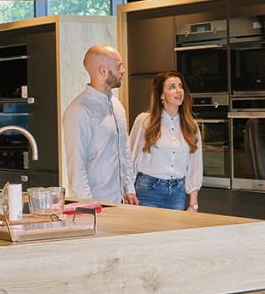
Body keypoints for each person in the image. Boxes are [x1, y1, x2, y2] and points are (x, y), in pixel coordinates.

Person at [61, 45, 138, 204]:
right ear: (103, 71)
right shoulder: (79, 110)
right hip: (96, 202)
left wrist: (129, 189)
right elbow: (76, 165)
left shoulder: (116, 104)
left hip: (119, 201)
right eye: (118, 66)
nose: (123, 70)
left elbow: (124, 150)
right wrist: (88, 204)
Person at [127, 71, 204, 211]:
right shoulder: (144, 121)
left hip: (178, 193)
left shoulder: (191, 125)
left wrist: (193, 204)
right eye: (172, 87)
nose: (178, 90)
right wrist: (129, 191)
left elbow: (195, 166)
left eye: (180, 86)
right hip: (148, 190)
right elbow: (131, 158)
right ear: (161, 95)